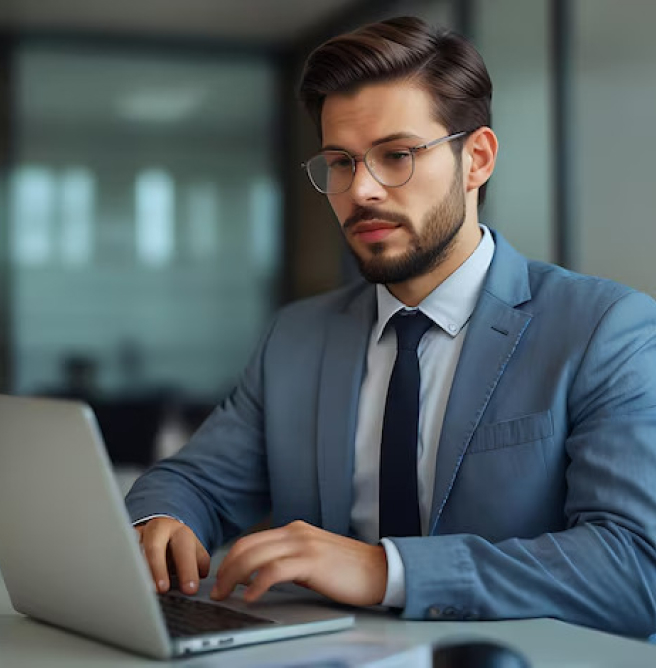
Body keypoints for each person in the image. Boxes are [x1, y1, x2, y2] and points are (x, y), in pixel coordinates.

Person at [126, 16, 656, 637]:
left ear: (476, 159)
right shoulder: (296, 338)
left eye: (396, 156)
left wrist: (387, 570)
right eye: (340, 163)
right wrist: (162, 520)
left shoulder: (605, 329)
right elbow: (194, 483)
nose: (363, 191)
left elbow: (636, 568)